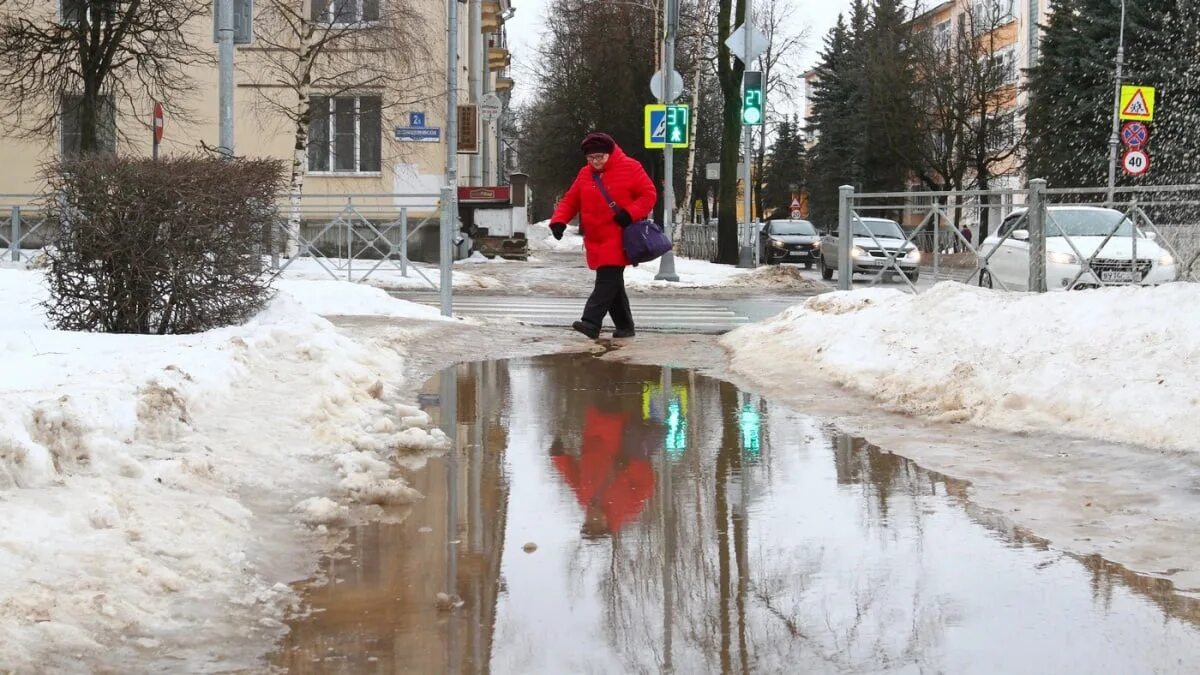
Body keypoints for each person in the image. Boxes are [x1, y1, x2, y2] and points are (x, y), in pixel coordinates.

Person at [548, 132, 656, 340]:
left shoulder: (631, 167)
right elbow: (571, 200)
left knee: (607, 279)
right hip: (595, 237)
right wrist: (559, 221)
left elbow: (649, 194)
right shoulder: (584, 174)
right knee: (613, 283)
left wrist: (629, 213)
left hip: (620, 235)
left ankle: (591, 321)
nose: (595, 162)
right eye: (590, 158)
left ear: (610, 153)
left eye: (600, 157)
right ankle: (625, 326)